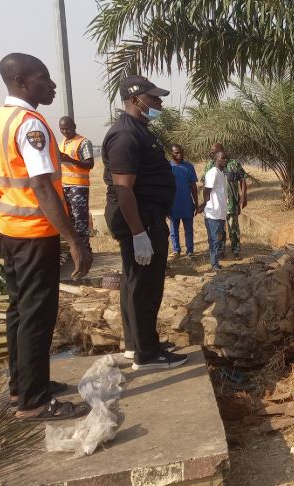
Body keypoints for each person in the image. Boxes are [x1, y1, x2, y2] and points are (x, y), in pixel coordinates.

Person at [0, 53, 92, 421]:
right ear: (21, 80)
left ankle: (21, 386)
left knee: (19, 310)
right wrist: (75, 240)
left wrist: (0, 210)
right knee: (37, 315)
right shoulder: (30, 124)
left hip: (8, 229)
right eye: (43, 78)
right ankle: (34, 402)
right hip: (35, 233)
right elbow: (42, 187)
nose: (51, 85)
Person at [102, 75, 186, 370]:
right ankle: (147, 355)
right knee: (144, 286)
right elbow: (124, 189)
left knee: (135, 283)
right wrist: (139, 234)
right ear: (136, 99)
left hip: (146, 215)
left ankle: (137, 344)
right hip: (139, 218)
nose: (159, 103)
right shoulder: (126, 135)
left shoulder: (139, 130)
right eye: (154, 98)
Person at [202, 143, 247, 258]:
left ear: (222, 151)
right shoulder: (210, 165)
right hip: (217, 205)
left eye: (214, 151)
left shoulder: (233, 164)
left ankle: (235, 249)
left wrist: (243, 196)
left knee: (233, 228)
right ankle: (220, 250)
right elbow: (205, 184)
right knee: (219, 230)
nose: (211, 153)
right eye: (211, 151)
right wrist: (206, 203)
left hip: (232, 203)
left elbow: (242, 179)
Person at [58, 116, 94, 254]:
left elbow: (89, 164)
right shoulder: (62, 143)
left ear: (74, 126)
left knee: (80, 220)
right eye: (62, 129)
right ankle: (74, 249)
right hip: (64, 186)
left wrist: (71, 160)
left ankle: (84, 249)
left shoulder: (83, 142)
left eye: (67, 128)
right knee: (69, 219)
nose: (65, 131)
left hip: (78, 186)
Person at [200, 150, 228, 271]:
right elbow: (206, 190)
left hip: (220, 212)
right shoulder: (213, 173)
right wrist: (205, 203)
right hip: (213, 213)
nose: (224, 160)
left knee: (217, 239)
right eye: (222, 158)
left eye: (226, 158)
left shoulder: (222, 173)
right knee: (215, 239)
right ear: (216, 159)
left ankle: (215, 263)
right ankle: (214, 264)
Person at [168, 144, 197, 257]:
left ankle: (189, 250)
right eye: (176, 153)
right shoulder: (168, 167)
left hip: (187, 203)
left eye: (181, 152)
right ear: (171, 154)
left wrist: (196, 203)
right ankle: (176, 250)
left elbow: (193, 186)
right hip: (173, 204)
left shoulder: (189, 166)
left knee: (188, 229)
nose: (179, 155)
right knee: (174, 230)